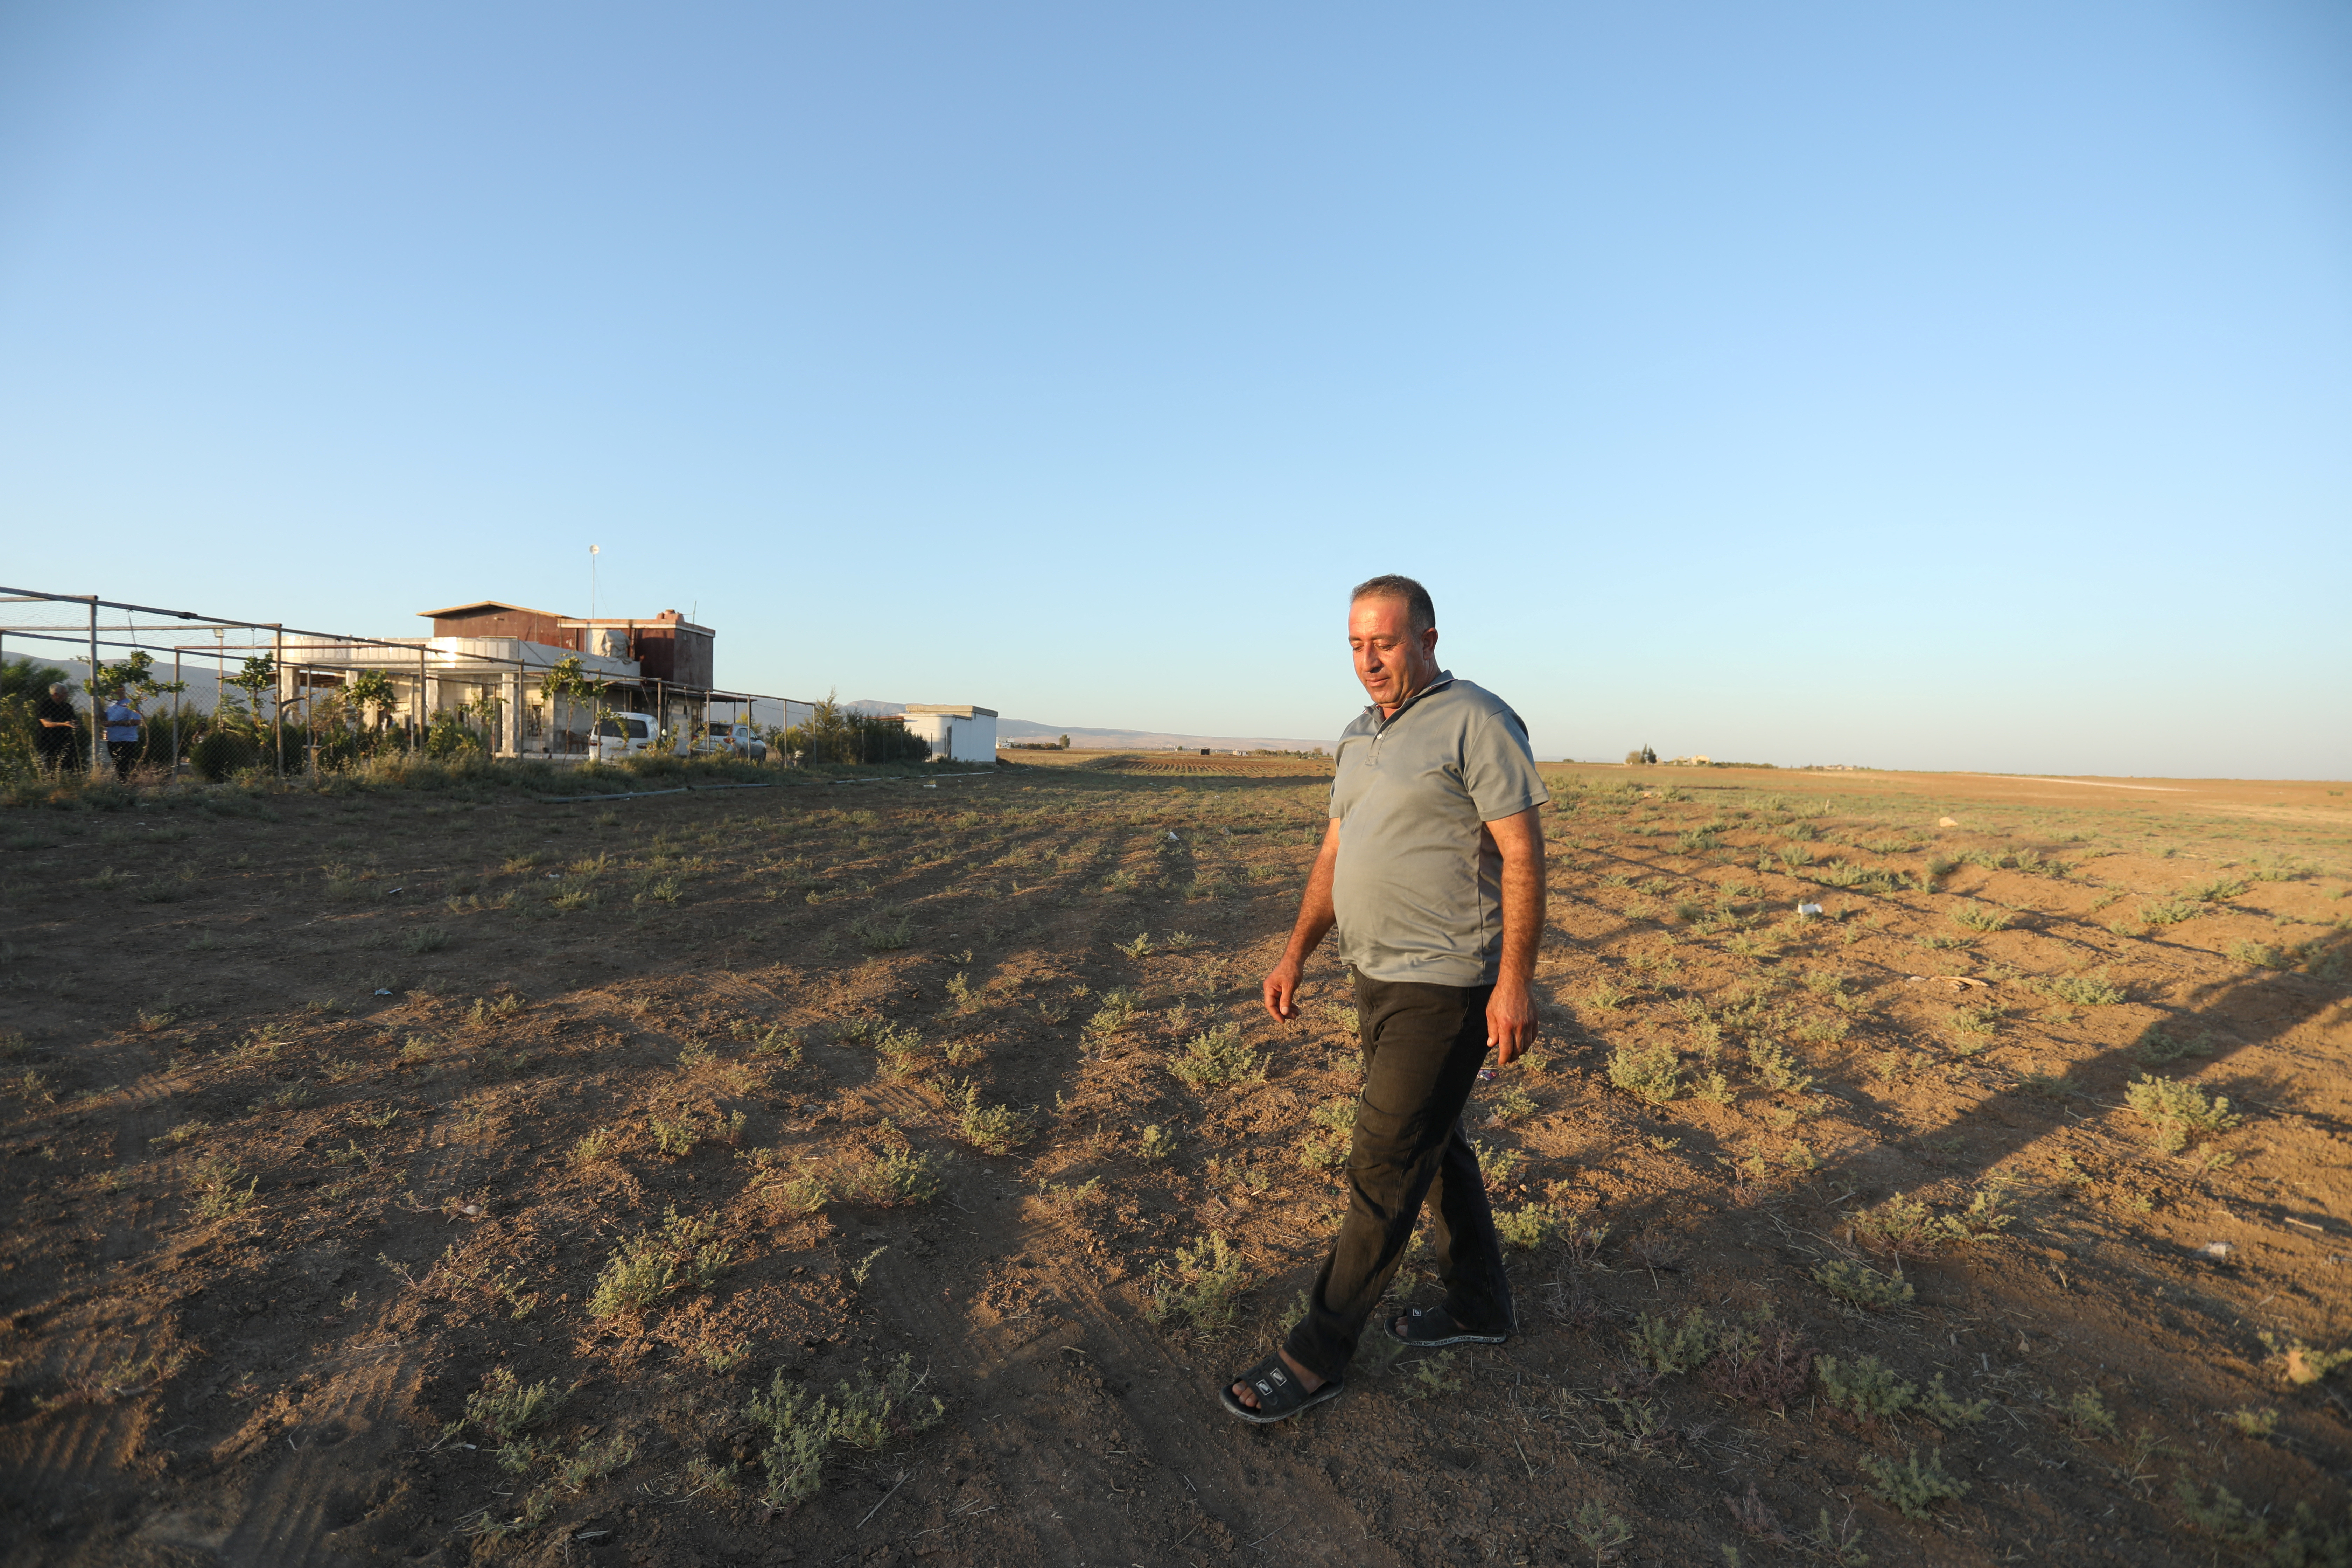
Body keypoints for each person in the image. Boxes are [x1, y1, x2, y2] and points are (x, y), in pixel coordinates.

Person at [1223, 574, 1548, 1424]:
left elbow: (1522, 853)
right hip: (1374, 974)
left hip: (1446, 980)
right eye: (1356, 645)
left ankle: (1319, 1351)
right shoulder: (1359, 736)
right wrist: (1296, 950)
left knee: (1384, 1160)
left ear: (1430, 640)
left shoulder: (1477, 718)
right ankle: (1482, 1304)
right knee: (1435, 1147)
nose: (1369, 659)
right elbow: (1335, 854)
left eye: (1387, 641)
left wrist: (1515, 980)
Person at [34, 683, 78, 777]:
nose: (67, 696)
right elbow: (47, 723)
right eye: (65, 693)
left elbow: (72, 720)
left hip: (65, 741)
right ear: (55, 695)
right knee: (50, 768)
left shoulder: (68, 707)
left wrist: (74, 723)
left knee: (68, 767)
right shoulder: (45, 705)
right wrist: (63, 724)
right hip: (48, 741)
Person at [102, 688, 144, 782]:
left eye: (113, 690)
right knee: (117, 766)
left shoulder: (131, 704)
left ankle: (127, 786)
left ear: (121, 690)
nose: (111, 692)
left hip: (126, 741)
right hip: (113, 740)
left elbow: (136, 721)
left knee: (124, 767)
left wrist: (115, 723)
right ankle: (123, 784)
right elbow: (106, 717)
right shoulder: (113, 704)